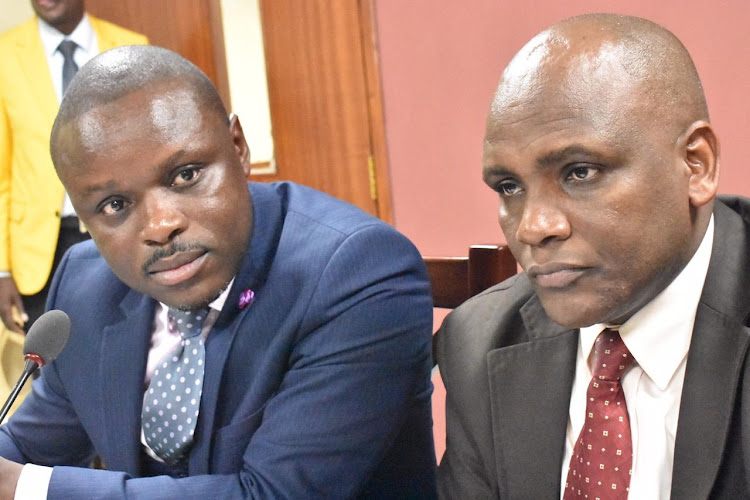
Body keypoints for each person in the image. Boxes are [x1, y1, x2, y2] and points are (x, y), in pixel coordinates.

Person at [0, 45, 436, 498]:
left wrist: (27, 489)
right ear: (85, 221)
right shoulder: (86, 286)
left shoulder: (356, 273)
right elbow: (27, 447)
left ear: (238, 147)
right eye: (115, 206)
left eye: (185, 175)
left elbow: (273, 493)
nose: (160, 226)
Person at [436, 13, 750, 499]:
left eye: (579, 173)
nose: (534, 227)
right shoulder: (478, 341)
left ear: (696, 165)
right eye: (510, 187)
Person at [0, 0, 147, 334]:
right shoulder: (4, 56)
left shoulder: (132, 46)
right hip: (39, 253)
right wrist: (2, 270)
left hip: (120, 229)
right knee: (53, 371)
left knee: (128, 354)